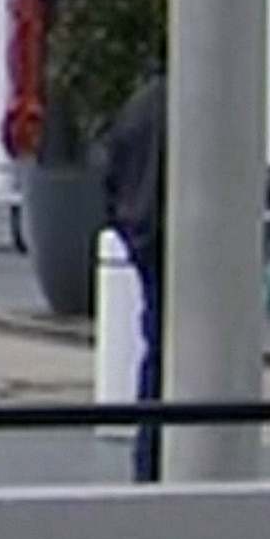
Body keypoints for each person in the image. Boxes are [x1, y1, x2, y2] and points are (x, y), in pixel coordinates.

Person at [101, 73, 167, 483]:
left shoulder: (136, 107)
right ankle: (157, 452)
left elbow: (109, 172)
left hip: (145, 236)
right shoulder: (195, 105)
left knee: (156, 349)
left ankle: (148, 456)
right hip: (172, 238)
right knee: (168, 351)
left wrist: (127, 226)